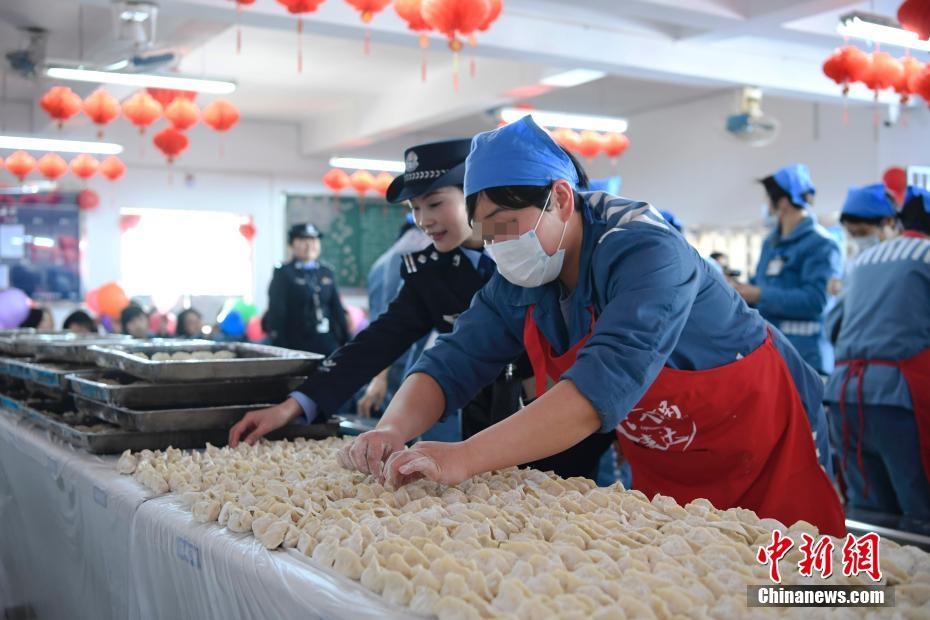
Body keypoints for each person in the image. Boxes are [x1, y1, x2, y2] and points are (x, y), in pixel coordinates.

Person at [337, 116, 845, 536]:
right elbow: (454, 358)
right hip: (668, 453)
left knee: (787, 581)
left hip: (761, 436)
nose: (498, 247)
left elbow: (596, 389)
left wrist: (464, 457)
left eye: (506, 226)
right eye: (487, 235)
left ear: (560, 197)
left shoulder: (647, 251)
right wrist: (391, 429)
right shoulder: (529, 270)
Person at [231, 138, 609, 479]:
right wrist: (295, 405)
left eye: (435, 203)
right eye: (415, 208)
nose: (424, 221)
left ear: (475, 196)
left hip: (562, 408)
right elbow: (379, 341)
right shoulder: (431, 272)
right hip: (480, 412)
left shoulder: (539, 248)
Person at [823, 188, 930, 534]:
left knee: (868, 516)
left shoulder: (862, 262)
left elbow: (833, 327)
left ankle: (868, 587)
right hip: (902, 400)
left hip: (846, 399)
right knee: (919, 516)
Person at [734, 164, 842, 376]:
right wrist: (740, 290)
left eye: (768, 199)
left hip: (805, 358)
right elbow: (759, 283)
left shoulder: (822, 245)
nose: (766, 205)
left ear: (782, 203)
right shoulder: (771, 244)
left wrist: (760, 294)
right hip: (768, 352)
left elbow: (816, 301)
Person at [357, 214, 431, 417]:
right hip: (406, 358)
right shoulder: (414, 252)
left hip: (387, 356)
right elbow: (392, 319)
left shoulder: (382, 261)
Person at [265, 224, 348, 355]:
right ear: (291, 245)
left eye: (314, 240)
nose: (310, 245)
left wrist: (345, 340)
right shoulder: (284, 273)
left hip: (326, 341)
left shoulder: (326, 272)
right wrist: (280, 347)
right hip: (296, 344)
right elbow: (277, 313)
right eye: (303, 240)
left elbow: (336, 308)